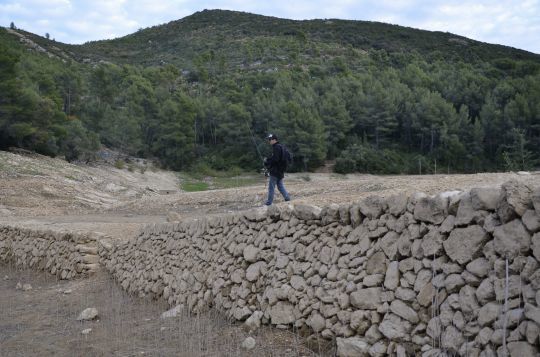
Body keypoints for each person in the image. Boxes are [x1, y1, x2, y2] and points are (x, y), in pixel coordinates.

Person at [264, 134, 291, 206]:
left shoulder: (276, 147)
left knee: (271, 187)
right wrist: (269, 160)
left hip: (275, 171)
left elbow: (275, 159)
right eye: (268, 139)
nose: (269, 141)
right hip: (281, 170)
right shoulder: (282, 147)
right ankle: (287, 198)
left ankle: (269, 203)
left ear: (274, 140)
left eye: (270, 139)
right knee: (280, 186)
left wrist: (267, 161)